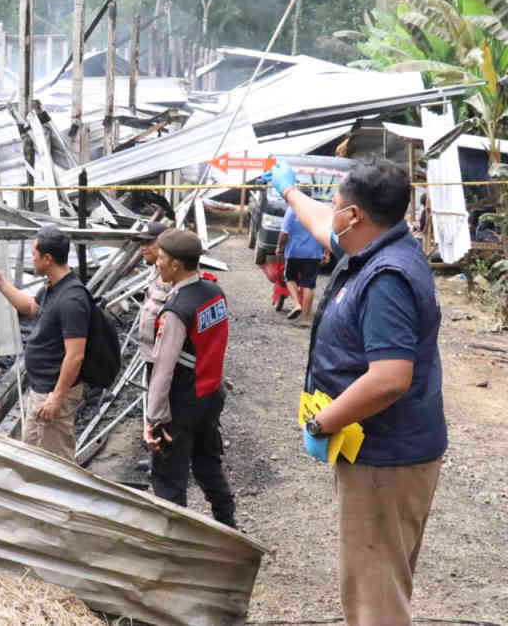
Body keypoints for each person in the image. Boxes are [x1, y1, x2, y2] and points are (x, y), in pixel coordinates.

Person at [263, 159, 446, 625]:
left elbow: (389, 378)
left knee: (374, 596)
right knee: (376, 582)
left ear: (356, 216)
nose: (331, 212)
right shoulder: (375, 245)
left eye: (337, 204)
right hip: (383, 452)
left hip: (385, 458)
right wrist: (289, 192)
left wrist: (321, 422)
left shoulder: (387, 278)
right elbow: (319, 223)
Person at [143, 229, 235, 528]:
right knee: (208, 464)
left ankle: (175, 542)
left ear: (176, 264)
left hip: (182, 403)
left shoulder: (176, 310)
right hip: (210, 395)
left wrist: (154, 418)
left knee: (169, 478)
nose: (157, 263)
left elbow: (163, 368)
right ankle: (228, 524)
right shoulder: (213, 292)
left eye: (161, 258)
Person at [0, 225, 90, 461]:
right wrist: (1, 283)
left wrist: (56, 397)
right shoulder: (53, 287)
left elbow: (75, 355)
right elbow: (31, 308)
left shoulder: (72, 299)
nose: (32, 259)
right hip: (42, 390)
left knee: (55, 463)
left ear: (47, 259)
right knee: (33, 457)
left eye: (34, 254)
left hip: (53, 393)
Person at [275, 188, 327, 326]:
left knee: (290, 278)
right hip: (314, 253)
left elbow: (284, 232)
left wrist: (279, 247)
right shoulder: (318, 210)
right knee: (308, 285)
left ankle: (297, 304)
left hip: (294, 252)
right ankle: (306, 319)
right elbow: (327, 231)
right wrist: (327, 252)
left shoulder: (292, 210)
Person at [136, 220, 171, 374]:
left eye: (149, 242)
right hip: (150, 354)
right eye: (141, 243)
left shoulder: (173, 276)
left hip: (164, 359)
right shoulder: (155, 270)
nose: (143, 248)